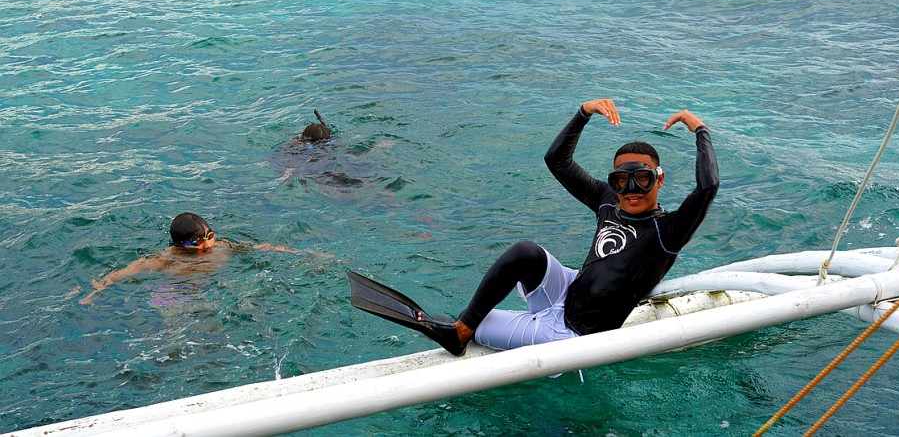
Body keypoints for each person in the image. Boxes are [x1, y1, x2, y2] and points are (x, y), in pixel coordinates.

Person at [348, 99, 718, 356]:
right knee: (525, 253)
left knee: (476, 323)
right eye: (621, 180)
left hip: (573, 332)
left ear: (659, 179)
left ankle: (462, 334)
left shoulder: (667, 232)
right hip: (568, 290)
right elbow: (556, 160)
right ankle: (464, 329)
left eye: (642, 179)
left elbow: (707, 187)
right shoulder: (609, 201)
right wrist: (582, 113)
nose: (631, 190)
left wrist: (699, 129)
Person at [80, 213, 327, 304]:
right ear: (181, 245)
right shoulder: (167, 258)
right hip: (173, 292)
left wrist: (302, 255)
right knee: (175, 337)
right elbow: (125, 271)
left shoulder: (223, 246)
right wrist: (95, 290)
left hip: (212, 288)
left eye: (209, 235)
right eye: (198, 241)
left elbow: (263, 248)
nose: (207, 243)